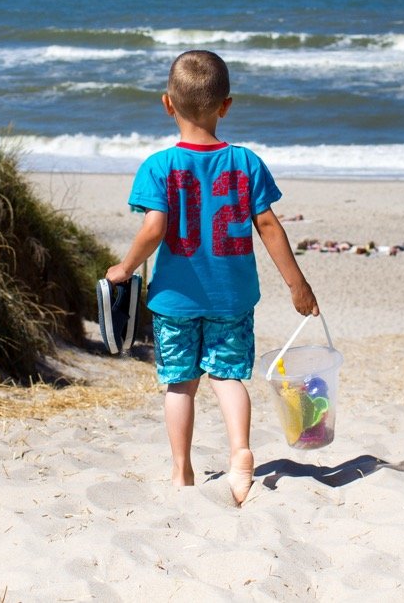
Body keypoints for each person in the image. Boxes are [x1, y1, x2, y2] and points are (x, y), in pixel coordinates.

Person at [105, 50, 319, 507]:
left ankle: (181, 468)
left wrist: (125, 269)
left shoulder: (159, 167)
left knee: (180, 384)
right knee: (228, 378)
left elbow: (154, 228)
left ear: (167, 104)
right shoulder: (246, 163)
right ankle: (241, 452)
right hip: (233, 297)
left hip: (175, 301)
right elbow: (268, 226)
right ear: (226, 105)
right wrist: (296, 284)